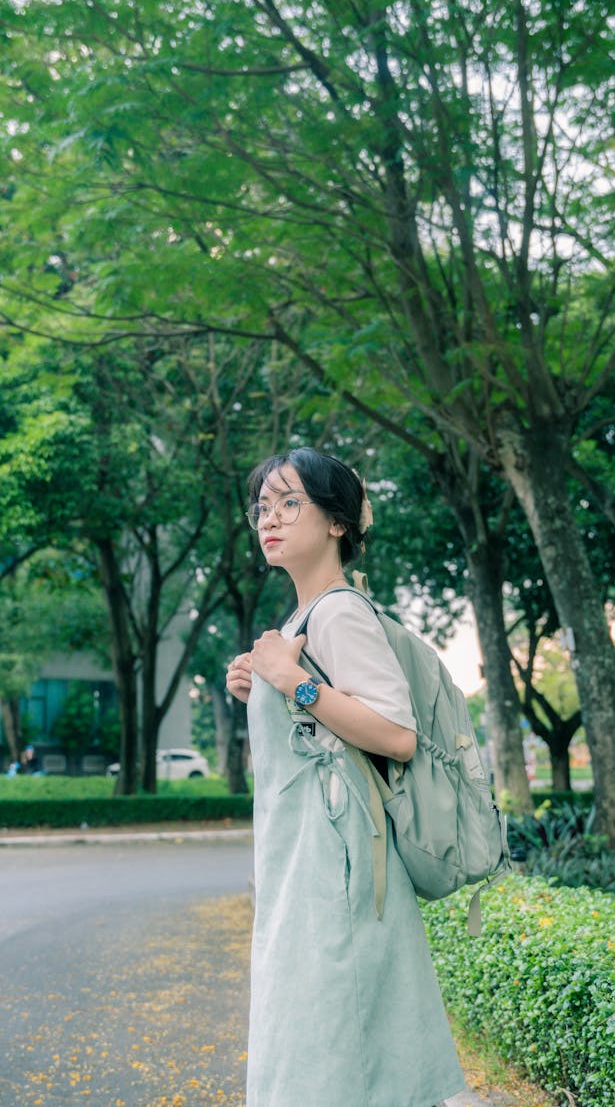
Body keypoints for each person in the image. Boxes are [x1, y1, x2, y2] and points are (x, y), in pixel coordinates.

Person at [226, 447, 466, 1107]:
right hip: (304, 866)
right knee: (316, 1047)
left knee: (338, 1056)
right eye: (261, 507)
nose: (268, 518)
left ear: (336, 521)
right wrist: (260, 684)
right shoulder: (304, 620)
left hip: (338, 871)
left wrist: (293, 683)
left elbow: (397, 734)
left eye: (288, 502)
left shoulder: (338, 612)